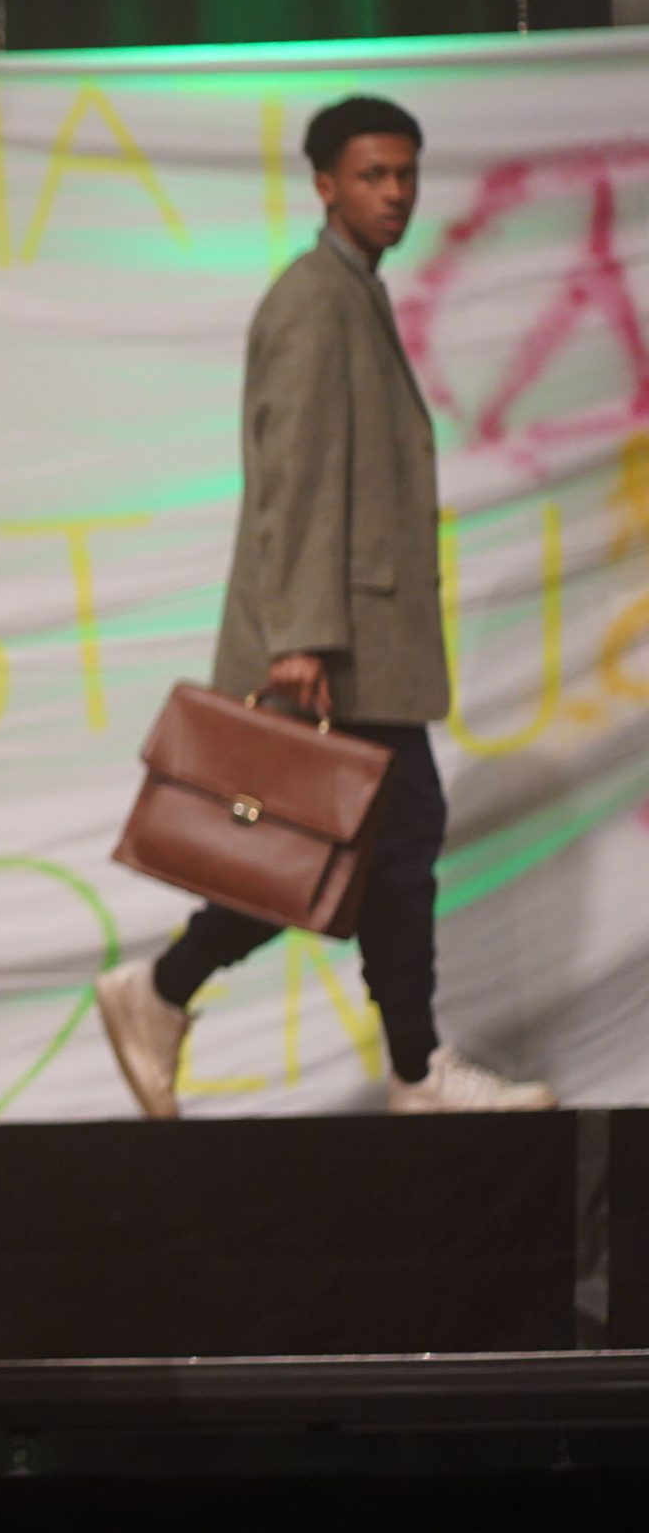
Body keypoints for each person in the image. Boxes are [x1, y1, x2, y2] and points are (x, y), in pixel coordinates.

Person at [97, 97, 554, 1118]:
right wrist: (300, 636)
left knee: (347, 855)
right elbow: (295, 475)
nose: (394, 194)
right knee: (356, 845)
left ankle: (189, 1000)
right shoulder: (314, 300)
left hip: (358, 639)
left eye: (405, 174)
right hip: (336, 646)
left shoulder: (354, 294)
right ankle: (397, 1065)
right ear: (324, 185)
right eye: (371, 175)